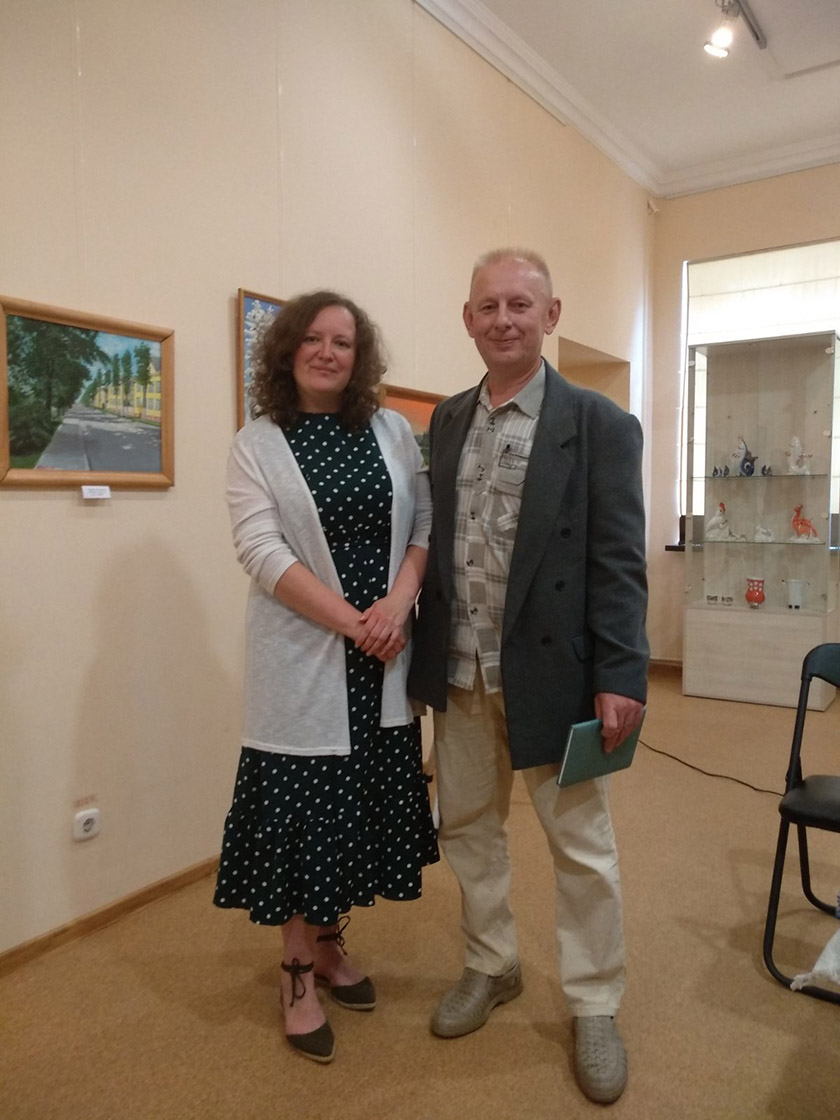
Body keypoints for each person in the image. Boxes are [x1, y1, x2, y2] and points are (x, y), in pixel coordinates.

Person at [408, 248, 648, 1105]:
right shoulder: (445, 419)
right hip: (461, 669)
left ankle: (594, 1002)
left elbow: (618, 560)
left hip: (558, 676)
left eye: (520, 304)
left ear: (551, 316)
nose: (503, 319)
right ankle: (492, 963)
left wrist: (622, 672)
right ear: (467, 318)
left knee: (581, 847)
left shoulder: (600, 423)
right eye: (489, 306)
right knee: (469, 829)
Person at [214, 290, 439, 1064]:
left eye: (342, 342)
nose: (327, 352)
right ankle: (297, 974)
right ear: (286, 350)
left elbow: (423, 524)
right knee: (302, 819)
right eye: (312, 339)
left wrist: (398, 605)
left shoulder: (391, 431)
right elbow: (261, 551)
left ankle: (332, 940)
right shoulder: (256, 443)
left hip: (380, 662)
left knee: (353, 815)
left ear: (359, 356)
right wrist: (357, 624)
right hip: (305, 665)